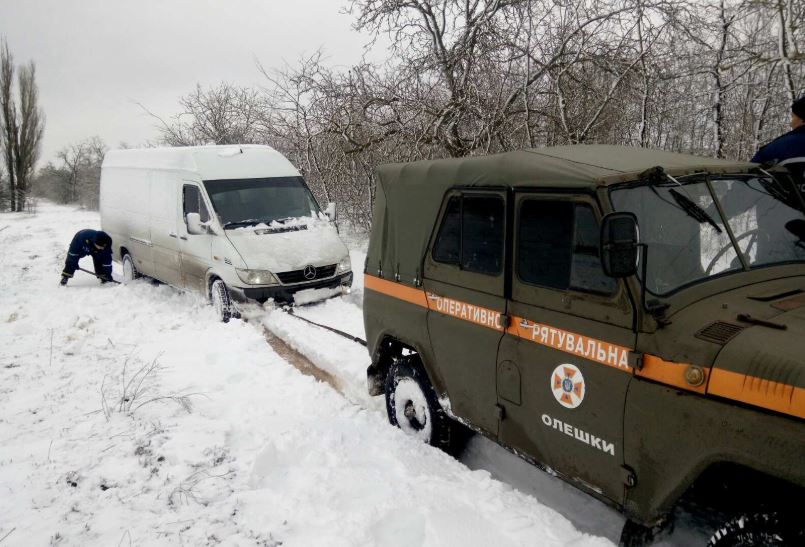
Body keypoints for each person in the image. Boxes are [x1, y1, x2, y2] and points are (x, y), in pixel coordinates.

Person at [751, 95, 805, 168]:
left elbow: (752, 167)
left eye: (793, 117)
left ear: (802, 120)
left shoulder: (783, 146)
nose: (791, 124)